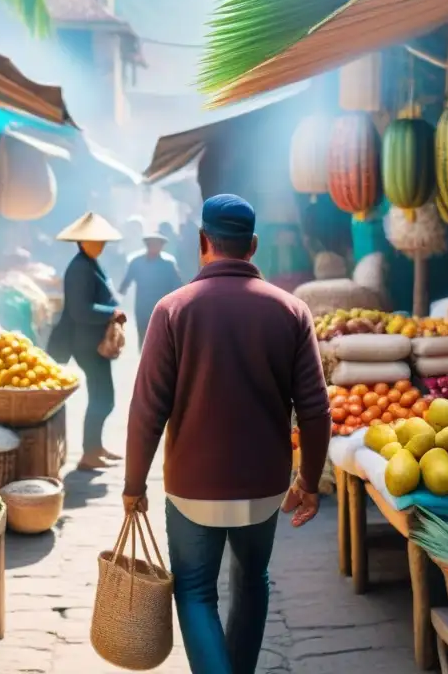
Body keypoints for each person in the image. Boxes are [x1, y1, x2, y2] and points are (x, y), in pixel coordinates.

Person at [122, 194, 330, 674]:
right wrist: (310, 482)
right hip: (264, 488)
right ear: (252, 246)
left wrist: (134, 486)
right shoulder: (291, 311)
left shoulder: (173, 310)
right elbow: (316, 411)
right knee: (253, 580)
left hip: (193, 488)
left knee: (195, 592)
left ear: (201, 243)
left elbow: (146, 411)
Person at [46, 212, 127, 471]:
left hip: (90, 340)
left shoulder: (90, 263)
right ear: (82, 242)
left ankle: (95, 448)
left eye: (103, 241)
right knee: (104, 397)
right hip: (85, 341)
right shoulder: (80, 267)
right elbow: (80, 310)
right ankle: (89, 453)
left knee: (101, 396)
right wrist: (110, 313)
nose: (101, 245)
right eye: (96, 241)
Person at [118, 233, 183, 350]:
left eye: (157, 244)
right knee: (143, 340)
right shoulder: (136, 262)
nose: (154, 247)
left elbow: (178, 286)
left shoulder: (169, 264)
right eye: (151, 244)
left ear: (162, 246)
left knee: (162, 340)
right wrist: (116, 302)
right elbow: (125, 283)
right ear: (147, 245)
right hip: (142, 308)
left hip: (163, 308)